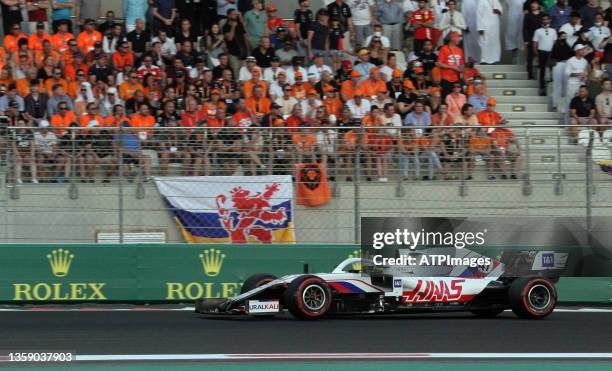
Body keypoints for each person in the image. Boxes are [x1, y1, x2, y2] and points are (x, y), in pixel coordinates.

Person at [533, 14, 558, 95]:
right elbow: (535, 42)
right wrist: (535, 52)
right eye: (544, 19)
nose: (545, 21)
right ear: (542, 21)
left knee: (552, 69)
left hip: (551, 52)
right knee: (542, 70)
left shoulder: (553, 30)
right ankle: (542, 87)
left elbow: (555, 42)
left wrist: (554, 52)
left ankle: (552, 85)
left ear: (549, 20)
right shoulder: (538, 31)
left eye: (547, 19)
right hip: (541, 51)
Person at [436, 32, 464, 98]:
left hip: (457, 79)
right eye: (458, 37)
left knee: (458, 97)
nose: (459, 39)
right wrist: (453, 67)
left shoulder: (460, 50)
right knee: (446, 98)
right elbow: (439, 63)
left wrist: (461, 68)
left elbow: (462, 63)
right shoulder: (444, 49)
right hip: (446, 79)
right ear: (452, 38)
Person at [476, 0, 503, 64]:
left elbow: (501, 10)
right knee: (484, 43)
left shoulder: (496, 1)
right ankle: (484, 60)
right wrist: (480, 28)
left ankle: (495, 59)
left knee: (495, 43)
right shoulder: (481, 1)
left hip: (495, 26)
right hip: (485, 26)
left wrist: (498, 11)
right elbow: (478, 15)